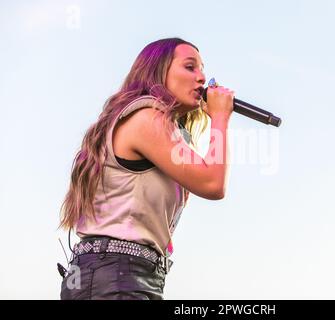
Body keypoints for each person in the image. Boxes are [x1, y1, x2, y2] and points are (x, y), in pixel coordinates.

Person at [58, 37, 234, 300]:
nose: (202, 78)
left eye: (202, 69)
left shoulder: (162, 128)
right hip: (116, 274)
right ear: (158, 71)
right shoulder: (145, 117)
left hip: (119, 274)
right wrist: (220, 117)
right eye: (190, 67)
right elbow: (212, 183)